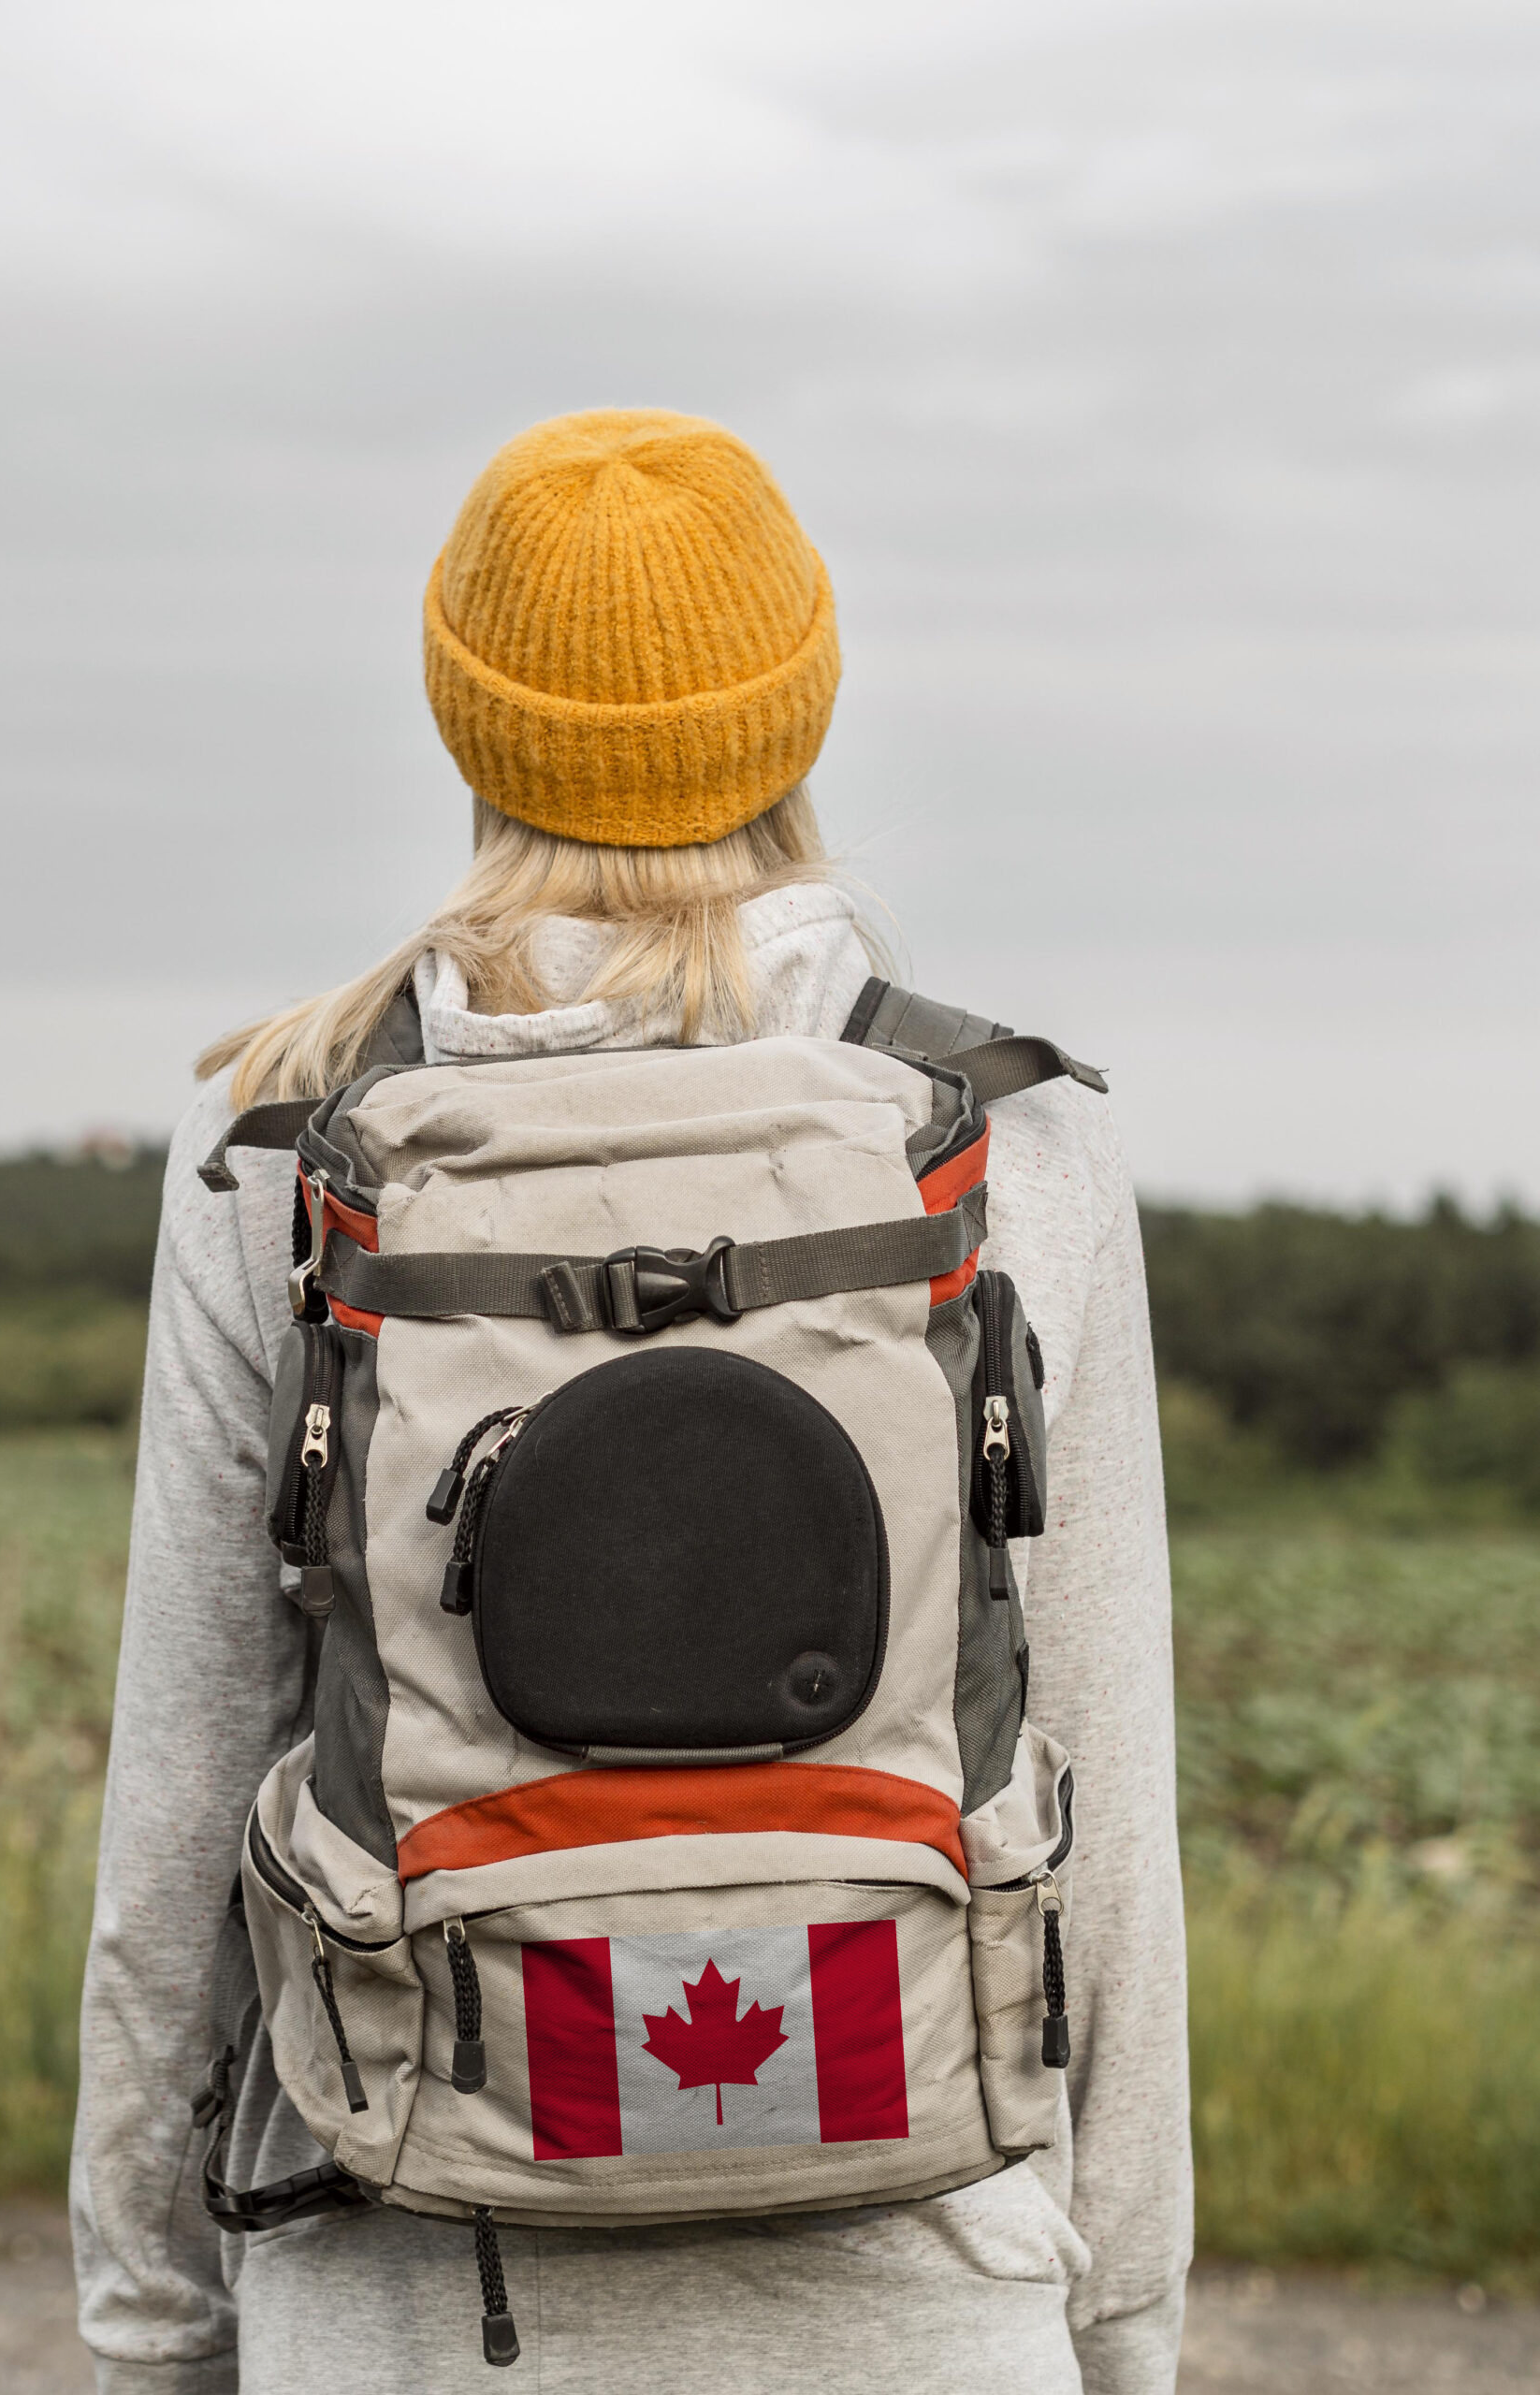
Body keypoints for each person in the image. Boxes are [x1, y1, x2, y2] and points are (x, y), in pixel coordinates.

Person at [71, 409, 1190, 2395]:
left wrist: (157, 2333)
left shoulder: (283, 1152)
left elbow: (176, 1820)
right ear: (804, 703)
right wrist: (1118, 2323)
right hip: (924, 2294)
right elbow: (1102, 1814)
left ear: (462, 713)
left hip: (403, 2290)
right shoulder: (1008, 1153)